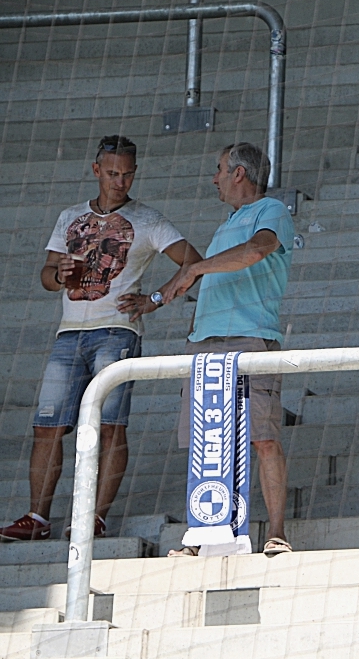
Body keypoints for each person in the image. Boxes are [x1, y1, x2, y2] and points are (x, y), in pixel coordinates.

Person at [0, 135, 201, 541]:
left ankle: (94, 516)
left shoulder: (148, 220)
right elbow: (46, 275)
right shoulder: (70, 215)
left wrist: (155, 299)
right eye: (112, 173)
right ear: (96, 171)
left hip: (118, 330)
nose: (120, 181)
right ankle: (38, 517)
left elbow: (195, 262)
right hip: (68, 332)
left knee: (111, 424)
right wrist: (60, 276)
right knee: (47, 426)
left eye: (127, 174)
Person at [162, 142, 295, 556]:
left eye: (219, 169)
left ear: (239, 173)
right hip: (206, 342)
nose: (214, 177)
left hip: (251, 337)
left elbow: (257, 250)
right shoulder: (228, 222)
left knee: (263, 436)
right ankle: (205, 534)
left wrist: (195, 268)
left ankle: (276, 532)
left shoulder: (271, 210)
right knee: (207, 441)